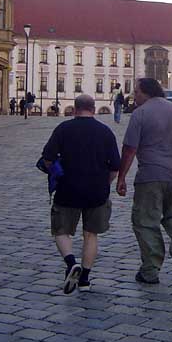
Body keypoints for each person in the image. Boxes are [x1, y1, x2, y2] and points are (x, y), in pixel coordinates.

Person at [117, 78, 172, 285]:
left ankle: (150, 271)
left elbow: (130, 149)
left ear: (146, 93)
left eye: (136, 92)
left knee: (146, 222)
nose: (134, 96)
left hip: (150, 177)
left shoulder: (140, 113)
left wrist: (121, 178)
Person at [41, 94, 120, 294]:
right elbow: (115, 167)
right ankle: (84, 278)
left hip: (68, 188)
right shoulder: (105, 132)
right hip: (97, 191)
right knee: (91, 234)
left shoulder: (63, 129)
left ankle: (70, 262)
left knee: (60, 230)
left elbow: (47, 158)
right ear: (93, 109)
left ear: (75, 110)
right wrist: (105, 182)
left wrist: (56, 173)